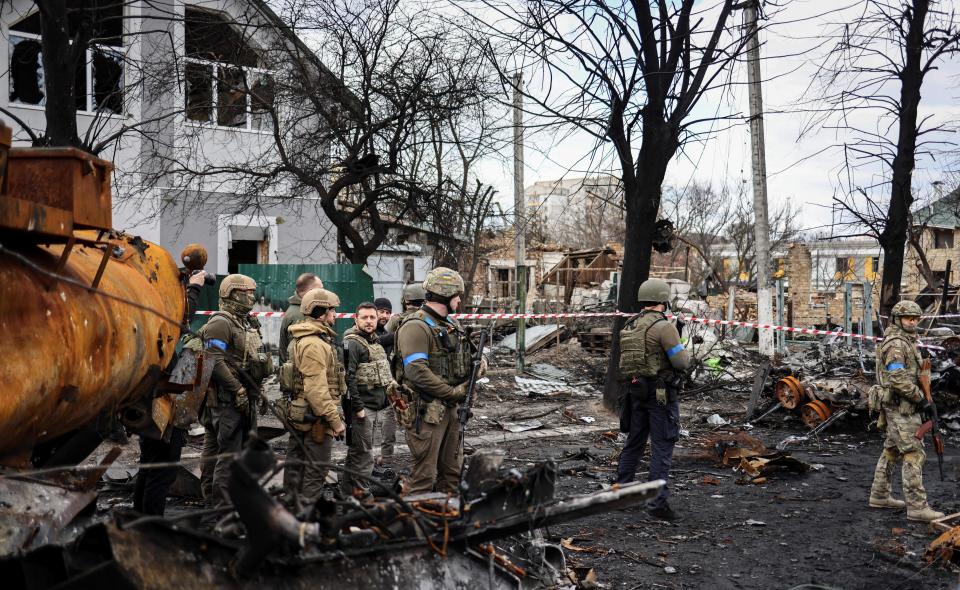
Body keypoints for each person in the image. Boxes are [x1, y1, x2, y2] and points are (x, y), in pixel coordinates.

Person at [615, 278, 690, 521]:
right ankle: (657, 503)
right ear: (663, 300)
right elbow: (681, 362)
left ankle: (623, 494)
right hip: (660, 395)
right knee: (662, 446)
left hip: (636, 391)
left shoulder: (630, 323)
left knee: (634, 443)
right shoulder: (663, 326)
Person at [394, 267, 475, 494]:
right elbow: (416, 371)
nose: (459, 300)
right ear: (445, 296)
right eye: (456, 295)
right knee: (424, 476)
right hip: (426, 411)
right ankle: (418, 525)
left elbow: (468, 355)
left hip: (451, 410)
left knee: (452, 472)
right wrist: (452, 393)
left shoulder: (452, 324)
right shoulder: (416, 326)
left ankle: (446, 524)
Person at [133, 270, 206, 515]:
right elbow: (181, 320)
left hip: (146, 405)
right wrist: (193, 289)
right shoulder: (159, 325)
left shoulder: (139, 322)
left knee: (149, 467)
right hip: (161, 407)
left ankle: (139, 519)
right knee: (162, 472)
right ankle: (151, 524)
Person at [198, 274, 271, 507]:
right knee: (229, 455)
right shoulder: (221, 322)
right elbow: (214, 359)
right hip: (226, 400)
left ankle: (212, 500)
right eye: (247, 292)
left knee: (218, 450)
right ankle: (222, 508)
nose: (252, 296)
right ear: (233, 293)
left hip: (240, 395)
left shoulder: (244, 321)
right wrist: (238, 389)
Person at [868, 300, 944, 522]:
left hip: (902, 405)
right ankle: (917, 507)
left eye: (915, 318)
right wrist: (921, 399)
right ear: (897, 319)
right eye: (908, 318)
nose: (912, 321)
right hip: (901, 406)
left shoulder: (907, 340)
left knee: (891, 450)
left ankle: (880, 495)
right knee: (913, 452)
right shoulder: (897, 344)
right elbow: (897, 377)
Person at [282, 287, 347, 503]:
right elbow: (316, 390)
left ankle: (290, 515)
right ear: (322, 313)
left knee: (296, 468)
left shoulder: (306, 338)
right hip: (315, 419)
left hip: (304, 414)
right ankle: (305, 519)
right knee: (315, 471)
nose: (335, 315)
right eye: (332, 310)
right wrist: (335, 421)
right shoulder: (314, 344)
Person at [340, 302, 393, 496]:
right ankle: (363, 498)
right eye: (365, 317)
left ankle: (347, 493)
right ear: (356, 319)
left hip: (376, 406)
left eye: (372, 317)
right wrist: (358, 407)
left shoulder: (374, 340)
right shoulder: (353, 343)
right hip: (362, 409)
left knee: (356, 452)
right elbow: (348, 379)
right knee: (364, 456)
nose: (369, 321)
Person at [379, 283, 426, 465]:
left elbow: (383, 341)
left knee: (392, 415)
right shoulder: (426, 319)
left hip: (398, 378)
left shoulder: (397, 320)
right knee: (420, 419)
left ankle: (387, 457)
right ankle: (420, 458)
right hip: (420, 376)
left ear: (406, 301)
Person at [279, 273, 324, 365]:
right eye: (321, 290)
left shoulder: (303, 310)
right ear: (311, 292)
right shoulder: (299, 315)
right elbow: (299, 355)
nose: (323, 293)